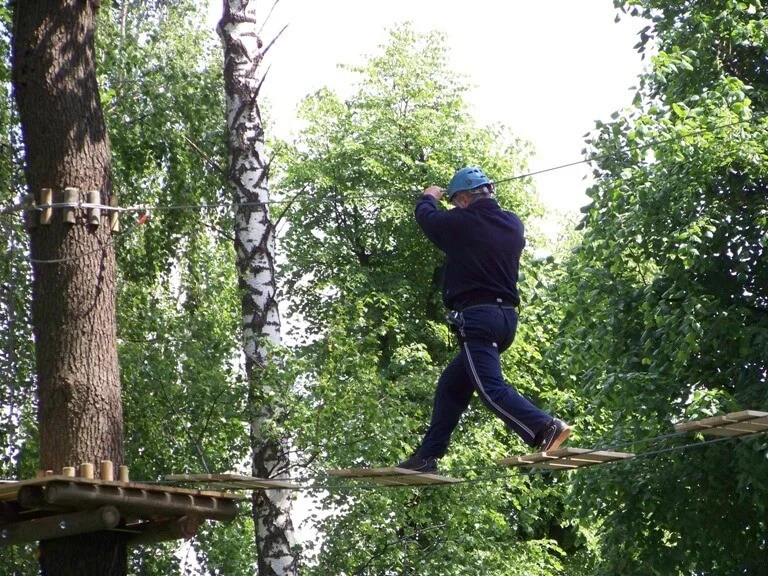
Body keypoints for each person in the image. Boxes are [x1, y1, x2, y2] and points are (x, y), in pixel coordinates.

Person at [397, 166, 571, 473]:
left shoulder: (463, 222)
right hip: (505, 320)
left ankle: (546, 427)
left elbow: (428, 219)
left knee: (491, 389)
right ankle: (427, 456)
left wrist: (428, 197)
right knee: (452, 385)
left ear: (463, 199)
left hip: (478, 318)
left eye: (454, 202)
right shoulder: (512, 224)